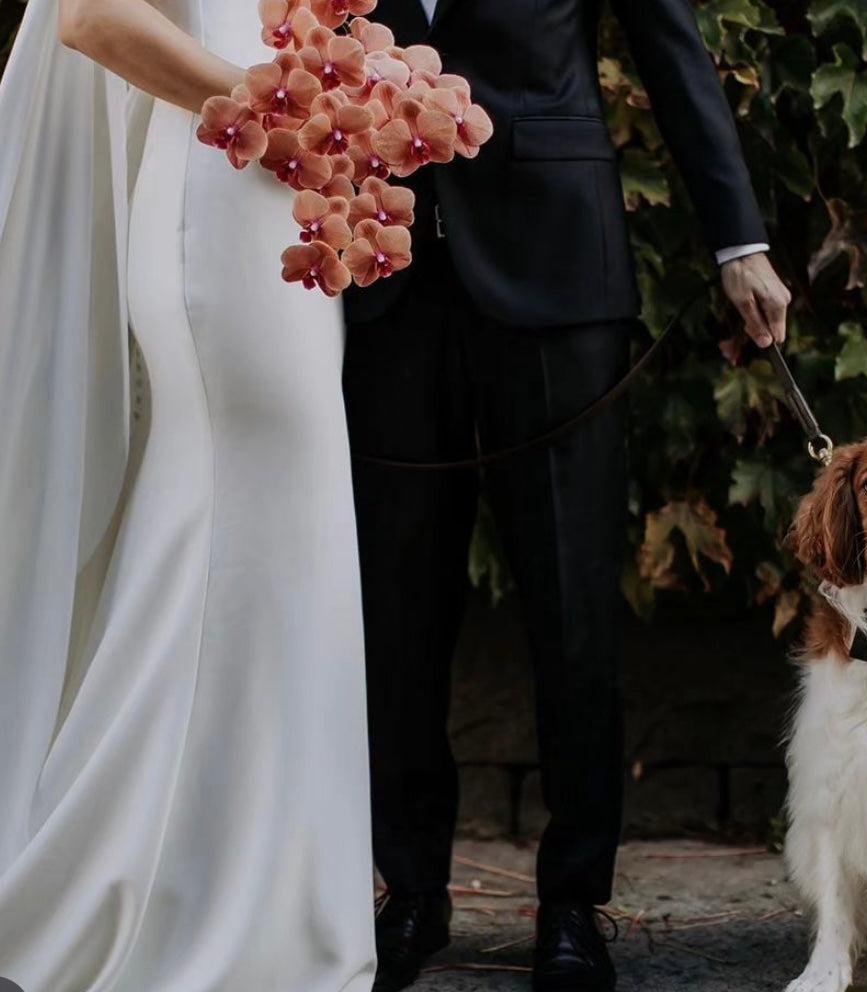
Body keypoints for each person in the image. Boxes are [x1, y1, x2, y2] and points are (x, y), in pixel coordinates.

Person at [341, 2, 791, 991]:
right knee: (393, 604)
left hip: (556, 269)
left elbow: (667, 38)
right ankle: (409, 888)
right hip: (380, 274)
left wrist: (734, 242)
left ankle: (573, 900)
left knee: (572, 597)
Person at [0, 2, 376, 989]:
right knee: (247, 538)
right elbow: (89, 20)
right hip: (227, 178)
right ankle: (195, 912)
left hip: (272, 180)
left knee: (258, 541)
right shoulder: (251, 117)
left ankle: (217, 893)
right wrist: (272, 111)